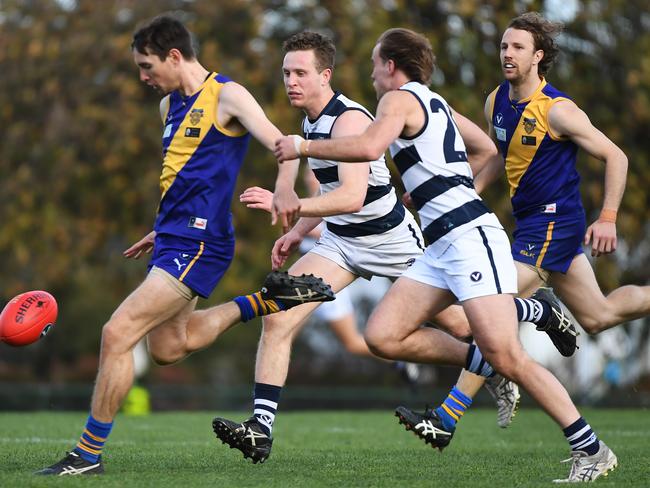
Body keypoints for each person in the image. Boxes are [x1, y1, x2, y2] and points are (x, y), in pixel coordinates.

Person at [214, 31, 573, 467]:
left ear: (324, 76)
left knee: (463, 323)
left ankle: (534, 313)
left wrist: (285, 200)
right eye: (287, 72)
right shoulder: (310, 122)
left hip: (392, 241)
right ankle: (261, 429)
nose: (291, 80)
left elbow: (351, 197)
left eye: (300, 73)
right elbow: (333, 192)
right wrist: (297, 230)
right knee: (280, 314)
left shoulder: (348, 119)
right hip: (343, 243)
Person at [35, 15, 334, 476]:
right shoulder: (168, 106)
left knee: (117, 333)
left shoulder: (228, 95)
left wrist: (286, 192)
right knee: (170, 347)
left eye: (147, 66)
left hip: (200, 240)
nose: (143, 77)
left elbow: (283, 144)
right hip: (174, 237)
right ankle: (265, 300)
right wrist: (161, 228)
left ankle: (86, 455)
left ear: (175, 56)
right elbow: (183, 174)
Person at [430, 10, 645, 463]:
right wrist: (458, 194)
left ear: (539, 57)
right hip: (529, 223)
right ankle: (540, 312)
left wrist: (607, 217)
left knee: (482, 309)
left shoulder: (558, 110)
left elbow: (617, 156)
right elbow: (495, 159)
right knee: (600, 315)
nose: (507, 54)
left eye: (517, 48)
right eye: (504, 46)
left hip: (554, 224)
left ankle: (449, 413)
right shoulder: (496, 102)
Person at [241, 170, 421, 385]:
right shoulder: (311, 203)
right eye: (308, 174)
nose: (310, 178)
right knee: (277, 324)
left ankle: (401, 358)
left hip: (329, 276)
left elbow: (338, 224)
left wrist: (287, 209)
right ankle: (265, 406)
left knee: (350, 341)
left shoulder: (331, 202)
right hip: (312, 272)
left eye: (314, 175)